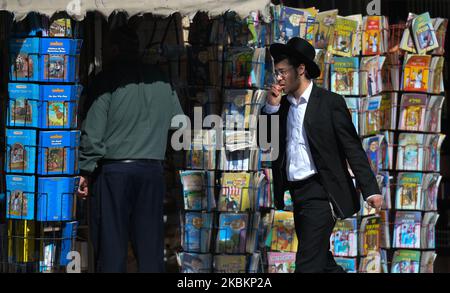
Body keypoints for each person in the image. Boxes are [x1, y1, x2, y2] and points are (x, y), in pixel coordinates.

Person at [261, 37, 383, 273]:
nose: (279, 78)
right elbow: (265, 143)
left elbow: (352, 148)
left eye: (283, 72)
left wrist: (371, 189)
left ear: (301, 70)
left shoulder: (329, 103)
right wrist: (271, 109)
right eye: (276, 73)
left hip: (321, 192)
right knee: (321, 260)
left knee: (307, 265)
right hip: (297, 194)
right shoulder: (281, 105)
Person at [77, 24, 184, 273]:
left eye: (104, 49)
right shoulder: (160, 79)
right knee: (150, 251)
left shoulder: (105, 81)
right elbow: (179, 123)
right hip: (151, 172)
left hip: (115, 174)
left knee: (112, 250)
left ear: (114, 49)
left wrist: (85, 170)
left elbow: (93, 134)